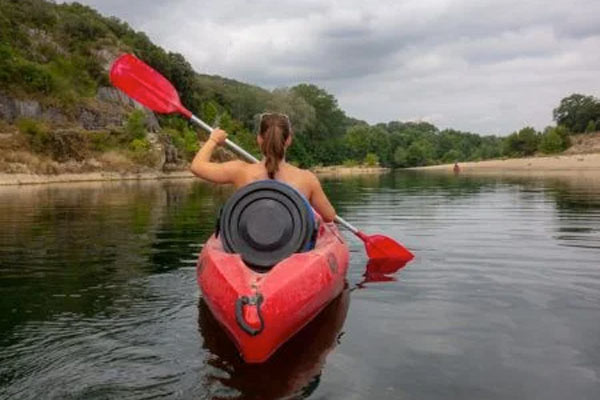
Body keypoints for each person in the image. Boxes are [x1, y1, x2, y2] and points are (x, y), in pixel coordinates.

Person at [190, 113, 336, 222]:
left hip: (251, 248)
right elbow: (329, 216)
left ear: (259, 139)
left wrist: (213, 140)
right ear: (289, 140)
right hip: (292, 249)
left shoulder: (240, 171)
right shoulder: (307, 179)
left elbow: (196, 167)